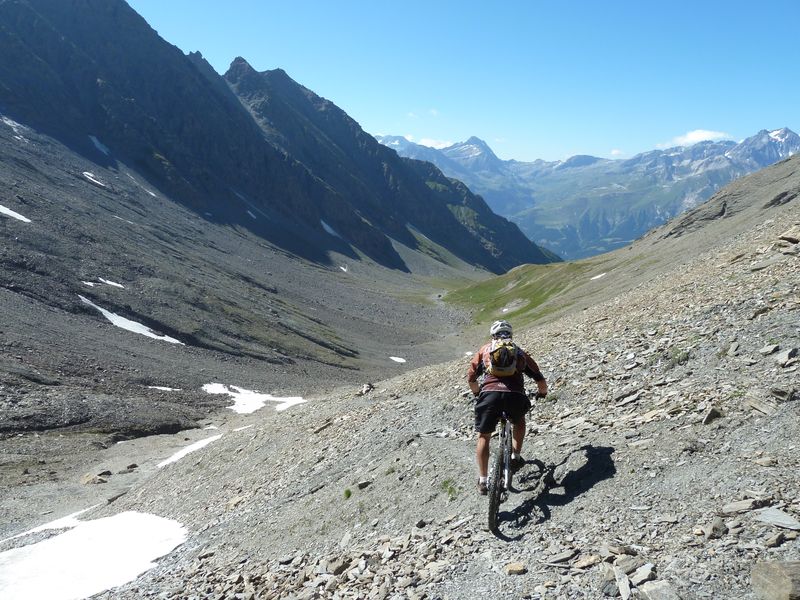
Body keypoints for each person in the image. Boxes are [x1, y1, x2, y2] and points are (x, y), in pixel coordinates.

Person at [467, 319, 548, 495]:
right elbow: (539, 379)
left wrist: (476, 393)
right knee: (519, 422)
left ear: (492, 335)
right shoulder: (519, 352)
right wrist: (542, 393)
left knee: (484, 436)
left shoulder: (485, 350)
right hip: (515, 396)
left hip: (490, 396)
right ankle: (515, 457)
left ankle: (482, 480)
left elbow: (471, 377)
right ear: (510, 335)